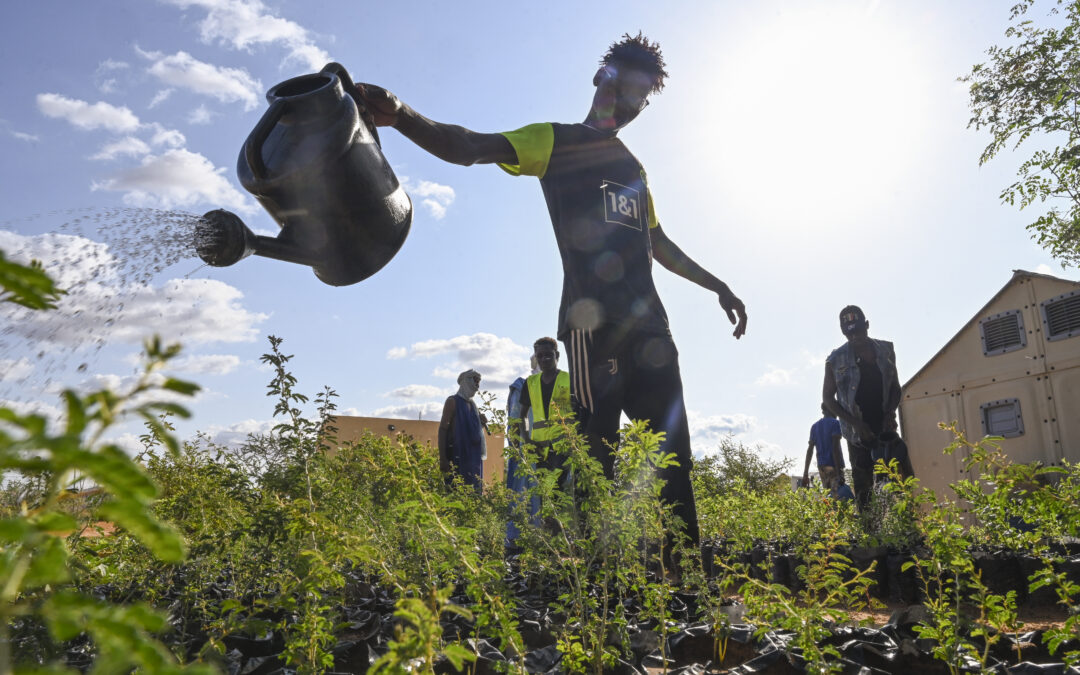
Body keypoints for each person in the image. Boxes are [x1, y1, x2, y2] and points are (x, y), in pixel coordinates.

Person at [352, 33, 747, 547]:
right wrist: (401, 113)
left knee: (672, 456)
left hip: (652, 329)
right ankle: (596, 583)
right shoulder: (555, 141)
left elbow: (658, 243)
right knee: (596, 456)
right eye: (627, 88)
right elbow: (469, 146)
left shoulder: (634, 168)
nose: (632, 105)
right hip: (592, 330)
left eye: (643, 98)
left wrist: (718, 286)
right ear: (601, 77)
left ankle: (690, 578)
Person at [823, 305, 914, 511]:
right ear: (843, 332)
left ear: (867, 325)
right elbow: (828, 399)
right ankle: (870, 536)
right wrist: (856, 424)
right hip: (858, 436)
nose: (854, 336)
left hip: (885, 430)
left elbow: (895, 389)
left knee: (903, 481)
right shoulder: (835, 360)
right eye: (849, 333)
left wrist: (890, 413)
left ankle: (908, 530)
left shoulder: (886, 350)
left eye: (858, 331)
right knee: (865, 491)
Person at [505, 355, 540, 545]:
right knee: (525, 492)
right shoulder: (522, 386)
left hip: (549, 447)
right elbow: (515, 418)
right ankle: (518, 540)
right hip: (528, 449)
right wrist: (519, 448)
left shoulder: (559, 383)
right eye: (538, 359)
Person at [438, 369, 488, 489]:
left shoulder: (473, 405)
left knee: (473, 495)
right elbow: (443, 429)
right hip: (457, 456)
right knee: (456, 492)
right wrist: (443, 459)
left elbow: (472, 432)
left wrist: (480, 422)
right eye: (475, 382)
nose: (477, 386)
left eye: (478, 383)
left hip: (473, 458)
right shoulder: (452, 402)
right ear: (466, 382)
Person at [801, 404, 847, 497]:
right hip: (834, 466)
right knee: (838, 498)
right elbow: (835, 448)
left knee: (828, 497)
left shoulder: (815, 426)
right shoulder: (835, 423)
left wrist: (805, 473)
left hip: (822, 466)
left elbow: (810, 451)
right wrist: (839, 473)